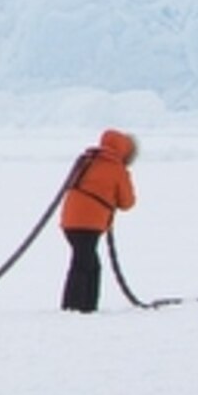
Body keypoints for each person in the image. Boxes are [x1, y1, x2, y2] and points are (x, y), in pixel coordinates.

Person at [58, 129, 139, 311]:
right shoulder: (116, 169)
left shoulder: (87, 160)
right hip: (89, 224)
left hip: (69, 221)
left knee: (87, 262)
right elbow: (127, 203)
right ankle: (78, 307)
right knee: (84, 264)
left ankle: (81, 306)